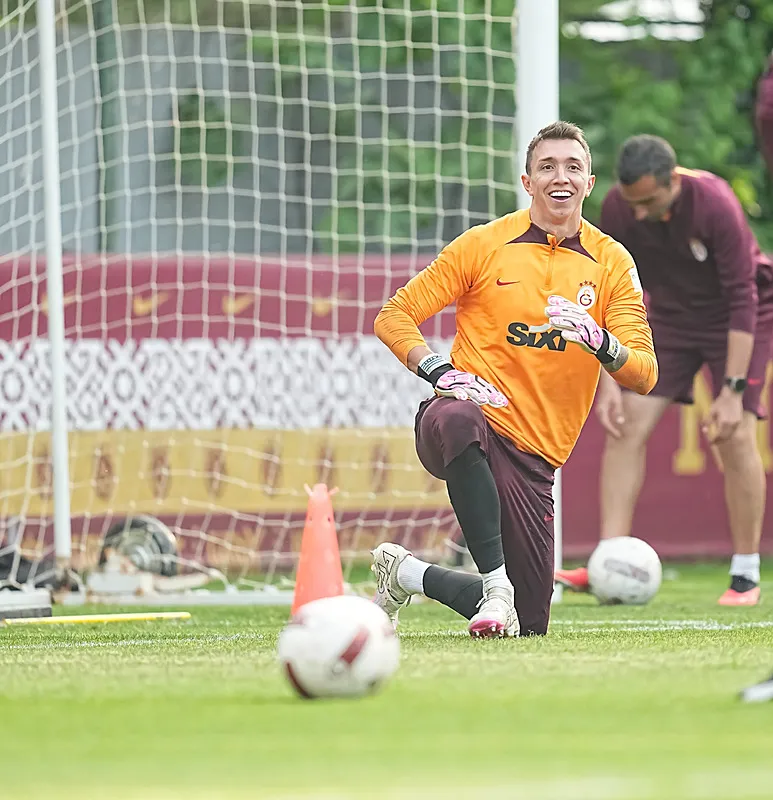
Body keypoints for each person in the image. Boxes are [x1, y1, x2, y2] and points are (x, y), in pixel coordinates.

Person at [371, 121, 658, 638]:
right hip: (467, 423)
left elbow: (644, 372)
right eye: (547, 166)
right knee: (457, 414)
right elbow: (393, 316)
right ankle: (496, 583)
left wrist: (600, 342)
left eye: (573, 166)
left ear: (589, 182)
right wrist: (442, 372)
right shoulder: (484, 244)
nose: (560, 176)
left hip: (536, 458)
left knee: (529, 626)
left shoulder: (612, 262)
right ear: (527, 182)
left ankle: (406, 573)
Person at [555, 134, 773, 606]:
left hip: (738, 319)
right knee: (625, 426)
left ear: (673, 180)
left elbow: (744, 297)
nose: (638, 213)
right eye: (632, 202)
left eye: (649, 201)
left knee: (735, 434)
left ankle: (745, 573)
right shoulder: (617, 208)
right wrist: (608, 374)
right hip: (669, 320)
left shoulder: (715, 204)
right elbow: (609, 287)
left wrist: (733, 391)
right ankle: (609, 561)